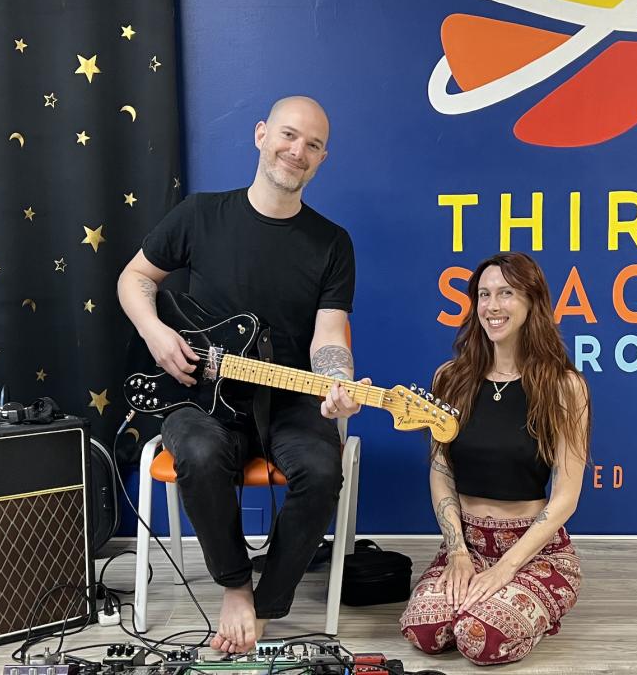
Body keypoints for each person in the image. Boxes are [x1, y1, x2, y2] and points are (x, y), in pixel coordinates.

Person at [116, 96, 364, 654]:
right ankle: (234, 587)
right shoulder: (200, 214)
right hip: (199, 392)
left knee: (323, 472)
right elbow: (135, 279)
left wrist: (338, 380)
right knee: (200, 456)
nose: (297, 151)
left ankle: (267, 600)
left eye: (313, 145)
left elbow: (329, 334)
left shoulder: (332, 243)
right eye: (288, 135)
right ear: (260, 134)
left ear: (323, 158)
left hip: (289, 400)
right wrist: (157, 335)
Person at [399, 252, 590, 665]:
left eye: (506, 293)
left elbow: (566, 496)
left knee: (478, 638)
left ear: (531, 302)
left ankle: (539, 606)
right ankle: (485, 599)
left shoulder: (563, 386)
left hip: (533, 550)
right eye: (483, 295)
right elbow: (440, 473)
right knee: (425, 632)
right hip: (468, 543)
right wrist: (457, 552)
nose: (492, 306)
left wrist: (505, 569)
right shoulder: (450, 379)